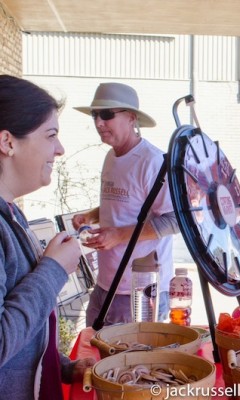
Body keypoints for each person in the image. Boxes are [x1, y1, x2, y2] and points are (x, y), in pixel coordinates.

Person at [0, 75, 95, 400]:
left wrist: (62, 366)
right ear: (7, 142)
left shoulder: (12, 214)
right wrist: (53, 269)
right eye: (50, 135)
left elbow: (23, 337)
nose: (60, 149)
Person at [72, 82, 179, 326]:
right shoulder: (111, 156)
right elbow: (127, 203)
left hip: (140, 291)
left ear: (131, 118)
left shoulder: (153, 162)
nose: (99, 122)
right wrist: (90, 216)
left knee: (126, 363)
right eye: (95, 115)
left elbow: (175, 220)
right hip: (106, 283)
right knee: (95, 358)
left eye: (107, 114)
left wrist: (119, 235)